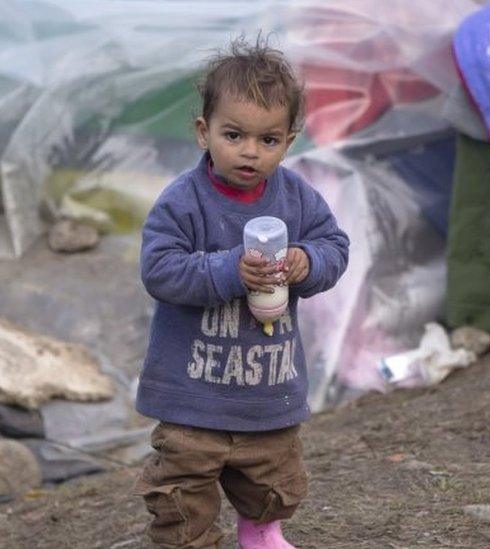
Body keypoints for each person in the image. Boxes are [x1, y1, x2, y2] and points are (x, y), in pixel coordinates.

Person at [133, 36, 349, 549]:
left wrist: (308, 261)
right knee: (181, 489)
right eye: (234, 135)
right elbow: (159, 270)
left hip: (268, 385)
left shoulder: (297, 197)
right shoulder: (183, 202)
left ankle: (261, 532)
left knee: (272, 476)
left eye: (268, 140)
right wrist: (230, 271)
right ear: (204, 132)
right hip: (193, 391)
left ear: (290, 140)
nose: (250, 152)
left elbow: (334, 245)